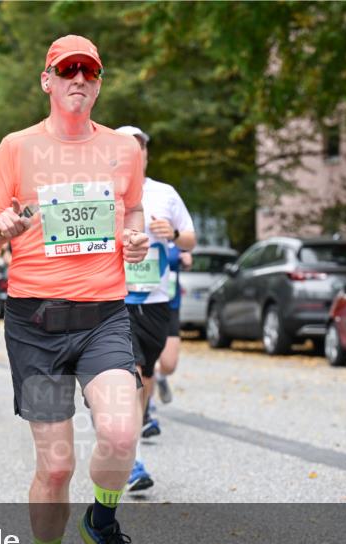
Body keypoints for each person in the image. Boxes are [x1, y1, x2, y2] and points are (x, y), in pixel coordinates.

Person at [0, 35, 150, 544]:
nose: (79, 79)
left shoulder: (124, 150)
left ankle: (102, 521)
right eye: (67, 70)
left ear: (98, 84)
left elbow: (131, 213)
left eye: (89, 72)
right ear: (47, 80)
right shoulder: (16, 148)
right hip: (36, 327)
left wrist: (137, 237)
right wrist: (1, 228)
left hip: (102, 318)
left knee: (122, 434)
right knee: (55, 465)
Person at [114, 125, 196, 492]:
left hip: (158, 300)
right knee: (128, 375)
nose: (136, 154)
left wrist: (174, 236)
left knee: (146, 375)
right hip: (116, 300)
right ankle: (132, 462)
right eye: (128, 148)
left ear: (146, 155)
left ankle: (129, 432)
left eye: (141, 149)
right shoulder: (105, 192)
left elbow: (191, 236)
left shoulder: (165, 194)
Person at [154, 247, 191, 404]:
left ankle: (160, 377)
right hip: (138, 305)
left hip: (170, 306)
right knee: (140, 366)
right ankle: (146, 410)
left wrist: (187, 259)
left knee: (169, 364)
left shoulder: (173, 232)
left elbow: (187, 254)